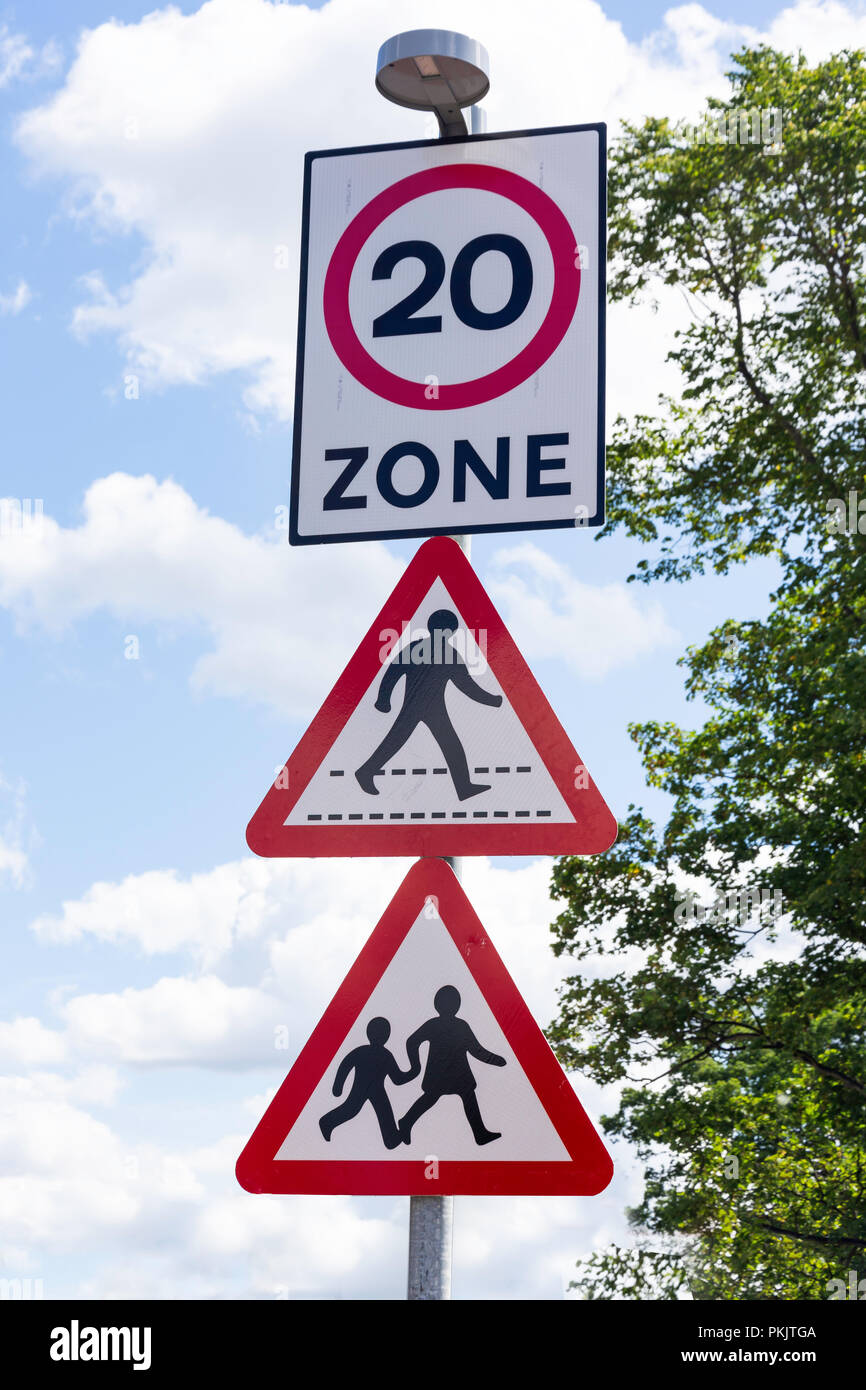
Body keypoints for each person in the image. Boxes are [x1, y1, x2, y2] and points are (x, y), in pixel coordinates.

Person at [355, 608, 502, 802]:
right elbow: (466, 686)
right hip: (416, 706)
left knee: (448, 743)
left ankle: (464, 786)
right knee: (397, 741)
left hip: (433, 708)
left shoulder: (423, 648)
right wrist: (383, 699)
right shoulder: (447, 653)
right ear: (452, 631)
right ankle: (366, 772)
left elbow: (393, 673)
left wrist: (384, 699)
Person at [398, 985, 507, 1146]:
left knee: (463, 1096)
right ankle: (406, 1122)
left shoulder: (458, 1025)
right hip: (443, 1073)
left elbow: (476, 1049)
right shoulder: (438, 1025)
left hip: (456, 1073)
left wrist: (496, 1060)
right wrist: (416, 1066)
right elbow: (412, 1041)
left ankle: (480, 1133)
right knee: (434, 1098)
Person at [319, 1017, 414, 1150]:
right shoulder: (383, 1054)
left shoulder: (371, 1052)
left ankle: (392, 1138)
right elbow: (398, 1079)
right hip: (364, 1088)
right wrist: (414, 1071)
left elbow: (397, 1078)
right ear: (387, 1036)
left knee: (369, 1111)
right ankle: (326, 1122)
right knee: (352, 1109)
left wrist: (338, 1087)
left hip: (374, 1089)